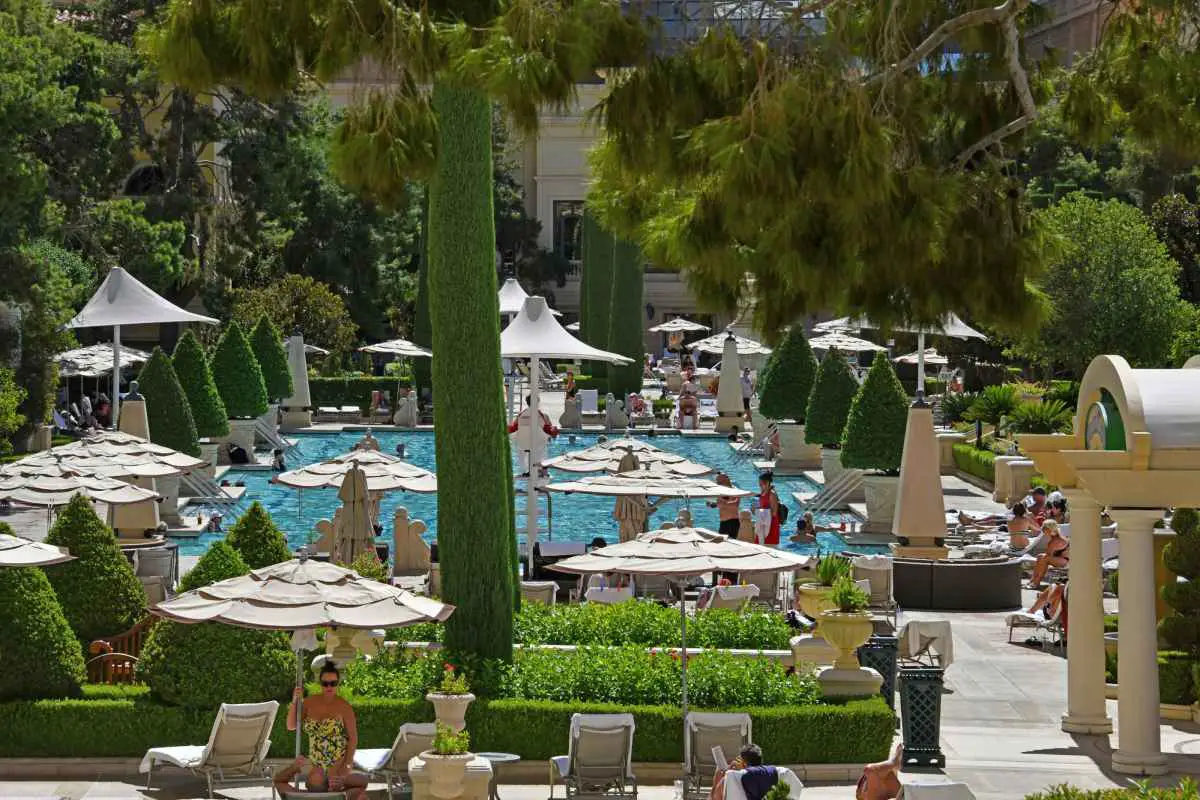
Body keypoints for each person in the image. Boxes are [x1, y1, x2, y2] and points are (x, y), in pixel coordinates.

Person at [286, 662, 366, 799]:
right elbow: (291, 726)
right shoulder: (309, 703)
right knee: (316, 788)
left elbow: (353, 738)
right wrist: (295, 701)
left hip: (337, 761)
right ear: (320, 683)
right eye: (325, 683)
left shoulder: (344, 707)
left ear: (338, 683)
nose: (329, 687)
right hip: (316, 762)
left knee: (335, 788)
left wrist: (347, 765)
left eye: (333, 683)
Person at [709, 743, 801, 800]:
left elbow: (714, 798)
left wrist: (718, 777)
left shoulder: (732, 777)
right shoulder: (781, 773)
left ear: (743, 763)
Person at [1028, 520, 1069, 589]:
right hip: (1062, 559)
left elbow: (1048, 555)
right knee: (1040, 556)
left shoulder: (1055, 540)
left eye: (1043, 529)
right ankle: (1033, 579)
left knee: (1045, 559)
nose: (1043, 531)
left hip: (1067, 562)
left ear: (1048, 530)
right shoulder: (1055, 538)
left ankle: (1037, 581)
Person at [708, 473, 741, 538]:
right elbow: (719, 504)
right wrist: (712, 504)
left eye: (719, 482)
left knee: (732, 543)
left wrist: (723, 504)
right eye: (717, 482)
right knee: (722, 543)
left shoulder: (735, 490)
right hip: (723, 522)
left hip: (733, 522)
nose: (718, 483)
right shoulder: (719, 491)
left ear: (726, 479)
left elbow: (736, 504)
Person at [756, 472, 781, 546]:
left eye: (761, 484)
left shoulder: (772, 494)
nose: (759, 485)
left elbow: (774, 512)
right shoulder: (763, 492)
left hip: (771, 524)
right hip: (763, 522)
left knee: (769, 545)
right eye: (759, 483)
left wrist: (759, 511)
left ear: (767, 483)